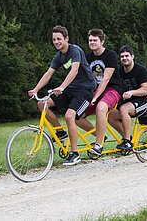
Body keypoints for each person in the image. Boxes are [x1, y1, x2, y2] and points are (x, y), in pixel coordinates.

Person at [28, 25, 96, 166]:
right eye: (54, 39)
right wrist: (35, 89)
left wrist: (62, 86)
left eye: (59, 39)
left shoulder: (75, 50)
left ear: (66, 38)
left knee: (69, 116)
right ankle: (60, 132)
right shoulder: (59, 56)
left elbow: (74, 70)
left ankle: (75, 153)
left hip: (84, 90)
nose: (56, 42)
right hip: (70, 89)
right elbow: (48, 74)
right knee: (42, 104)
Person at [75, 29, 123, 157]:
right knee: (76, 116)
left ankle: (98, 145)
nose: (92, 42)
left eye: (95, 40)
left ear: (102, 41)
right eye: (90, 40)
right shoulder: (88, 57)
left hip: (112, 89)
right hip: (95, 91)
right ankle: (100, 135)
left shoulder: (110, 55)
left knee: (101, 108)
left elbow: (106, 79)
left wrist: (95, 97)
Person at [108, 45, 147, 152]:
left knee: (124, 109)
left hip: (145, 100)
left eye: (127, 56)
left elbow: (145, 90)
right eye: (122, 56)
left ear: (132, 56)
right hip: (128, 102)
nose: (124, 58)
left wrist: (131, 92)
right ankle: (128, 138)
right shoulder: (119, 72)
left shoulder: (141, 70)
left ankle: (127, 141)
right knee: (111, 116)